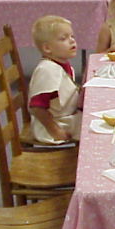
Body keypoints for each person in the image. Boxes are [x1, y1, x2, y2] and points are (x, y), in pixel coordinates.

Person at [28, 15, 81, 144]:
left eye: (72, 36)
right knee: (93, 127)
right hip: (52, 126)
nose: (72, 41)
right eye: (63, 38)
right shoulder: (47, 71)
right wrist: (55, 131)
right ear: (47, 48)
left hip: (66, 116)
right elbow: (37, 108)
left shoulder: (62, 64)